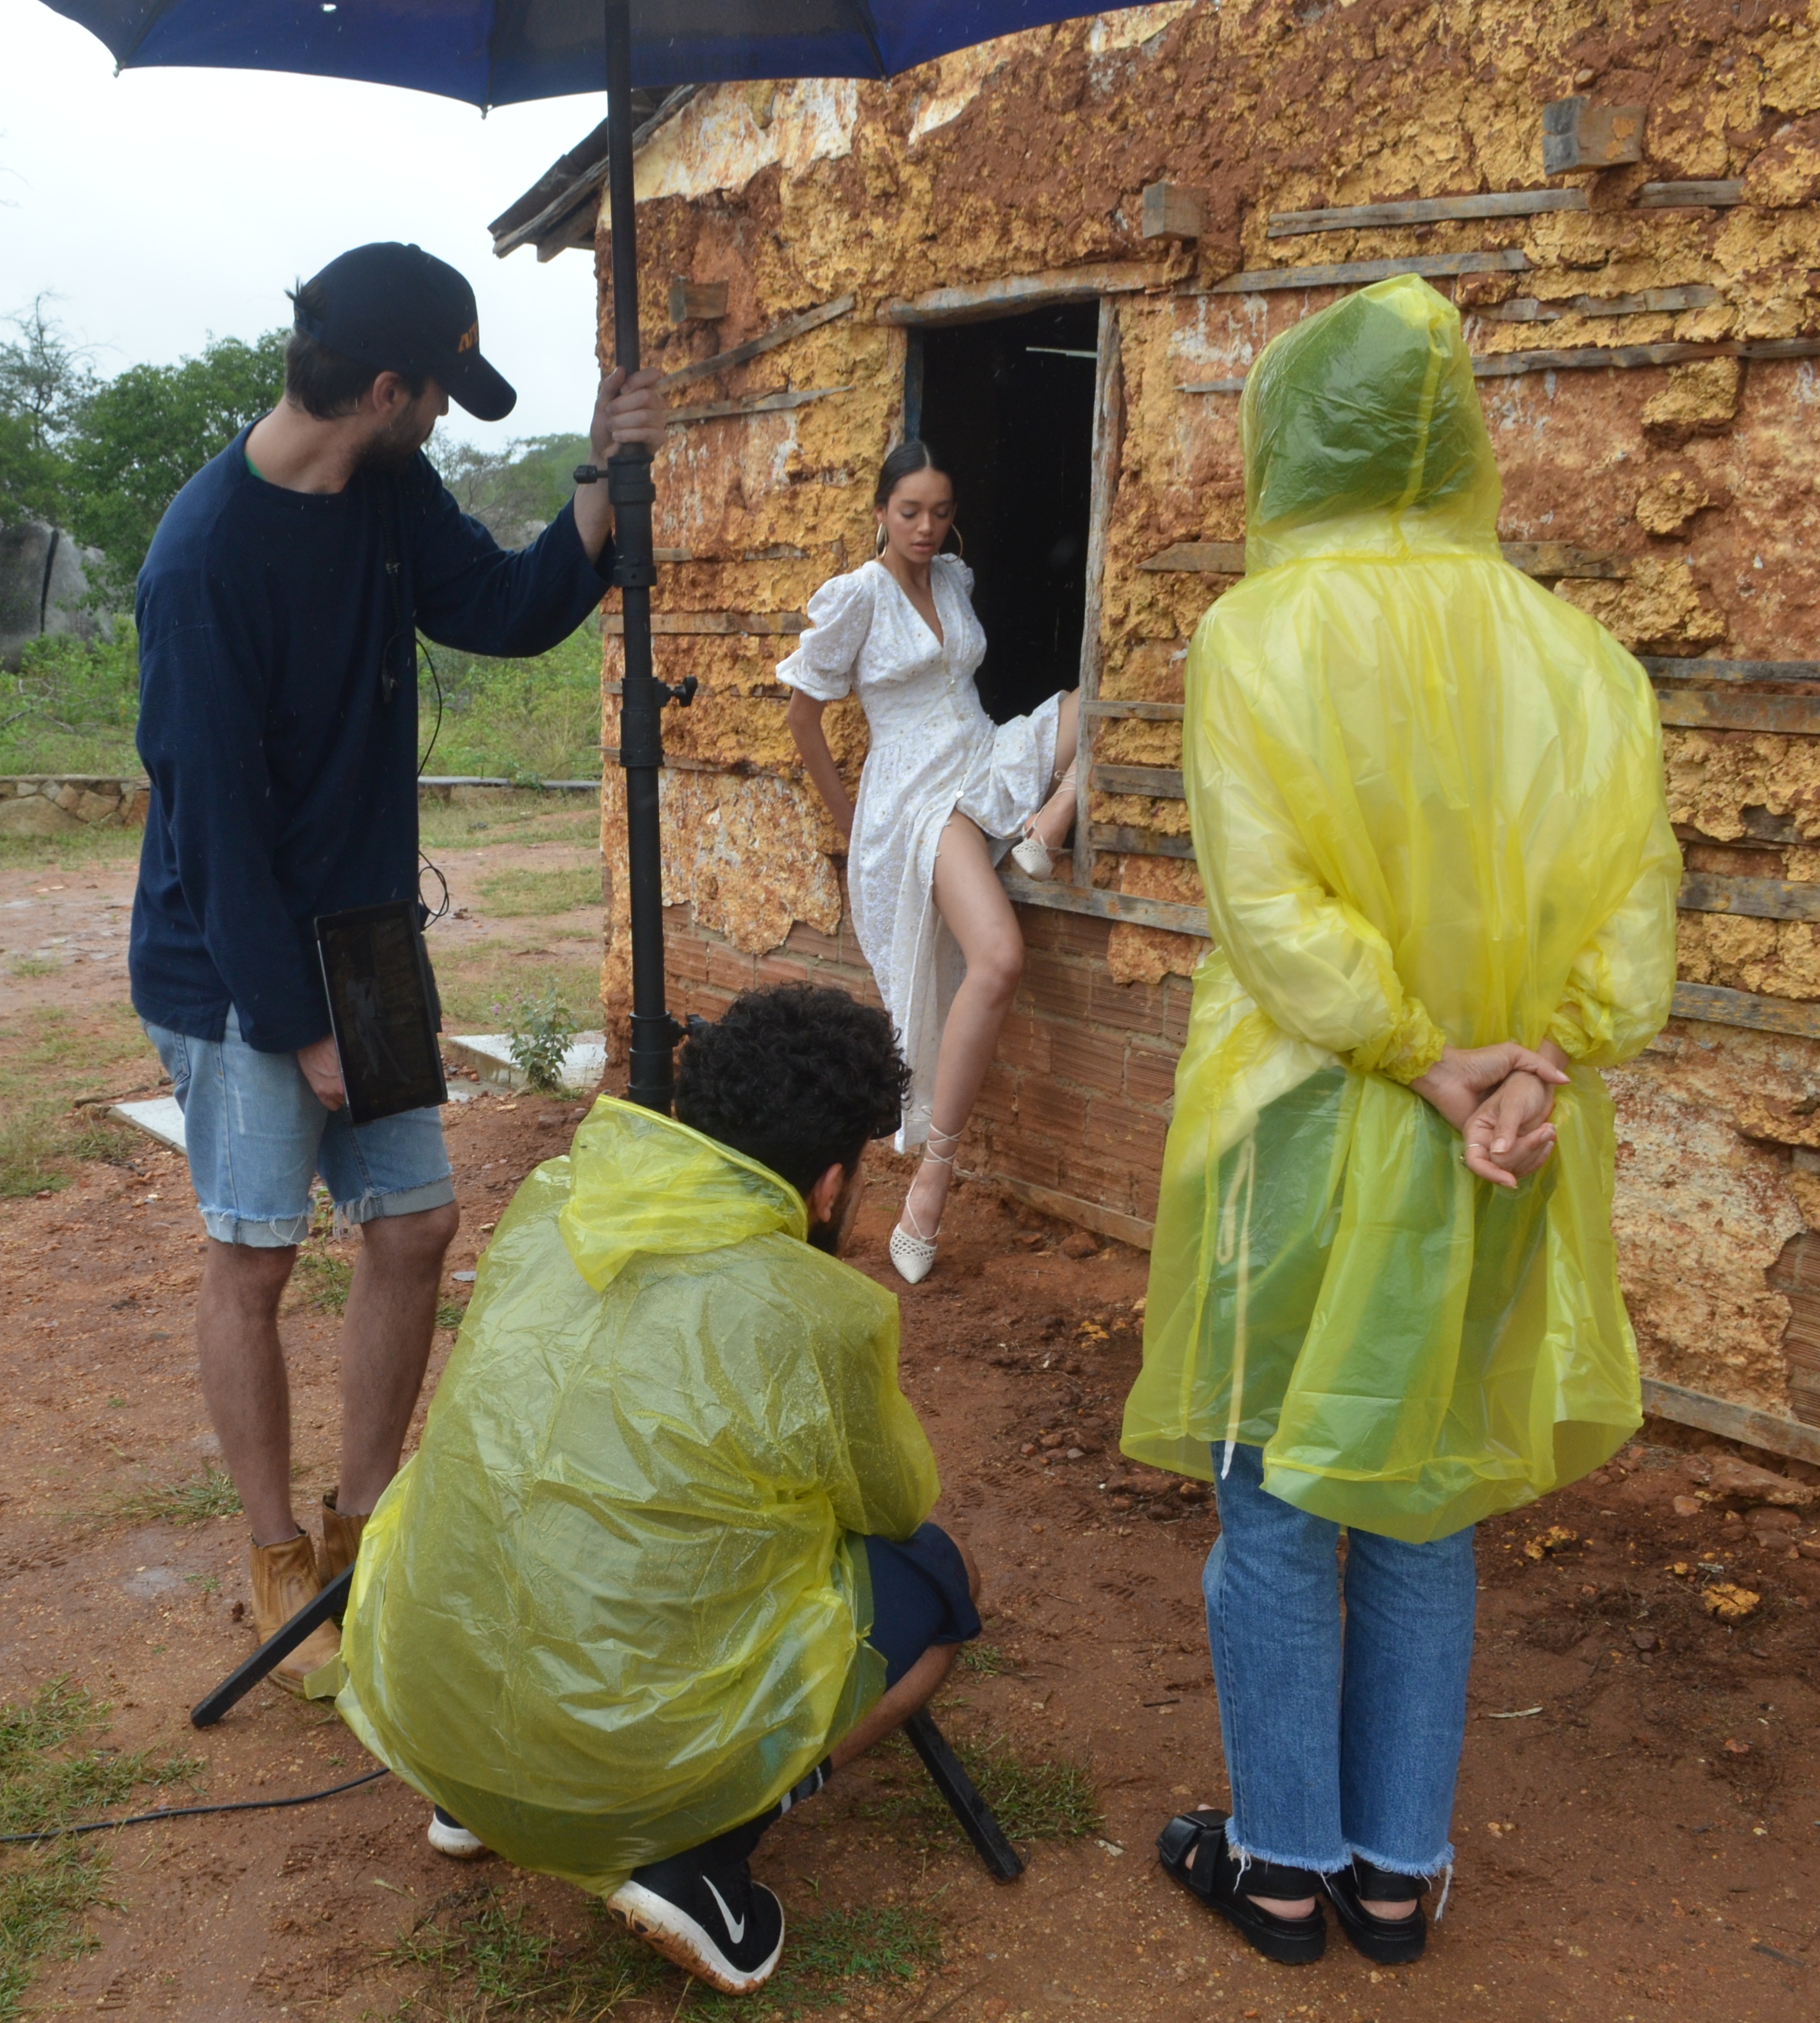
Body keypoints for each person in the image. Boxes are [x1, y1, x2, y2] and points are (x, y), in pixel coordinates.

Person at [1120, 275, 1681, 1967]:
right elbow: (1633, 929)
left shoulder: (1255, 634)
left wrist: (1421, 1052)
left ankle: (1282, 1866)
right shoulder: (1581, 656)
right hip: (1501, 1134)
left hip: (1303, 1122)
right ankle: (1394, 1871)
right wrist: (1527, 1067)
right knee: (1430, 1479)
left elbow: (1269, 910)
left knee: (1281, 1491)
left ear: (1293, 437)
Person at [128, 242, 665, 1692]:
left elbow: (503, 610)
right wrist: (294, 1023)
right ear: (383, 387)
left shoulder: (385, 489)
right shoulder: (202, 563)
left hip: (364, 939)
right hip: (236, 962)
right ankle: (269, 1554)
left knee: (414, 1229)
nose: (442, 422)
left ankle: (366, 1530)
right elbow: (215, 827)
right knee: (251, 1254)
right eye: (436, 395)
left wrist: (599, 485)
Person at [333, 984, 981, 1996]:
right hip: (617, 1769)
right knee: (937, 1583)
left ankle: (479, 1792)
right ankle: (701, 1855)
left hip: (427, 1711)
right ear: (830, 1183)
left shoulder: (553, 1204)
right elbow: (890, 1507)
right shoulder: (827, 1314)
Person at [778, 442, 1085, 1285]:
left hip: (980, 755)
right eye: (909, 510)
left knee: (1095, 706)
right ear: (880, 509)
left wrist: (1048, 796)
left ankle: (1047, 825)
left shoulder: (954, 579)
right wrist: (852, 823)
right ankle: (931, 1188)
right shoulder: (859, 598)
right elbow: (804, 722)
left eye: (940, 511)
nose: (925, 526)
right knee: (1000, 957)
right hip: (916, 799)